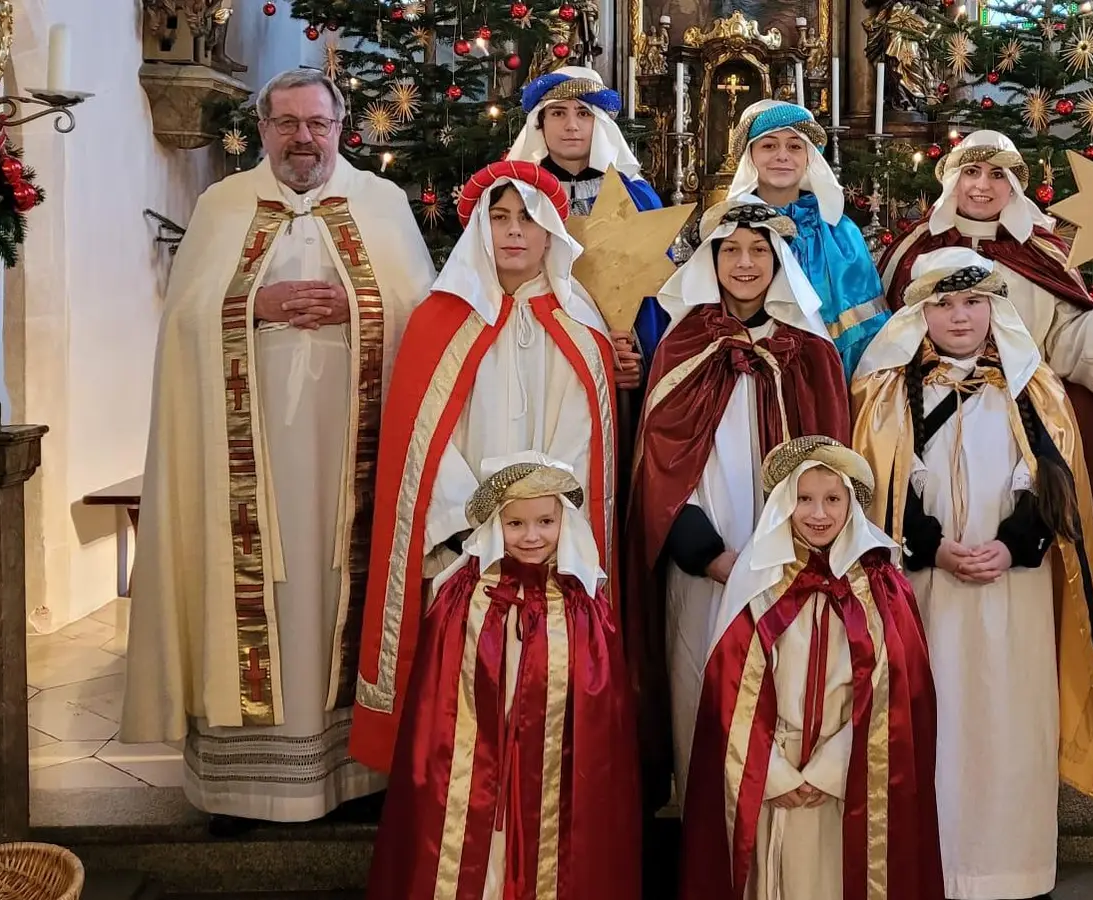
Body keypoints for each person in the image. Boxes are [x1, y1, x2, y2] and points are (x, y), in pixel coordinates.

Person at [119, 68, 436, 827]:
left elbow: (426, 323)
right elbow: (184, 326)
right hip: (244, 468)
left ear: (340, 126)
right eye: (287, 124)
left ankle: (356, 773)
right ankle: (245, 788)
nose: (304, 139)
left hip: (347, 465)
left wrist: (363, 305)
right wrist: (249, 304)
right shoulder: (223, 205)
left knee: (342, 585)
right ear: (262, 131)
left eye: (318, 124)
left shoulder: (382, 205)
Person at [349, 160, 625, 774]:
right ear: (479, 227)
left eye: (528, 218)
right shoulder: (439, 319)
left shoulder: (582, 324)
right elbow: (424, 443)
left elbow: (583, 438)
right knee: (463, 701)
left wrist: (541, 524)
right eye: (498, 217)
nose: (514, 232)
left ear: (552, 230)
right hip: (466, 548)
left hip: (548, 541)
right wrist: (474, 526)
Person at [851, 248, 1093, 900]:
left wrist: (1014, 544)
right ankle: (929, 867)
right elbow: (873, 488)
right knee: (933, 727)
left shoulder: (1033, 388)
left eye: (972, 302)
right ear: (920, 313)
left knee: (1007, 726)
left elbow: (1058, 480)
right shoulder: (884, 392)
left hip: (1012, 599)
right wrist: (932, 547)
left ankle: (1009, 871)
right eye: (943, 303)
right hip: (924, 594)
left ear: (994, 308)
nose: (959, 316)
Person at [877, 129, 1093, 684]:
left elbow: (1070, 344)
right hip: (927, 416)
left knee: (1011, 645)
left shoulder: (1043, 253)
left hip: (1022, 421)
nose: (982, 186)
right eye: (972, 172)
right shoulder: (910, 252)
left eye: (998, 174)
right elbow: (889, 340)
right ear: (951, 178)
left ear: (1016, 185)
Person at [621, 198, 849, 817]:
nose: (744, 264)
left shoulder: (812, 352)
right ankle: (708, 847)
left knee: (791, 697)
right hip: (706, 567)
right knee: (705, 695)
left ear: (779, 261)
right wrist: (712, 556)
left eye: (759, 251)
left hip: (791, 569)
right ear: (710, 258)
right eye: (730, 250)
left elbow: (834, 463)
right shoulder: (682, 345)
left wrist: (798, 549)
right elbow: (661, 468)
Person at [679, 436, 942, 900]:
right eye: (804, 498)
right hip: (771, 773)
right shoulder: (757, 577)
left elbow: (894, 686)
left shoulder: (880, 581)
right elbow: (730, 688)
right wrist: (773, 773)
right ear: (784, 504)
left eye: (832, 499)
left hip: (847, 775)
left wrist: (832, 766)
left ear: (851, 505)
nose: (818, 513)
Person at [366, 453, 639, 900]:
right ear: (496, 526)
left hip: (554, 774)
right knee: (482, 865)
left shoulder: (585, 605)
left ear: (562, 523)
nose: (532, 536)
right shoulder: (463, 599)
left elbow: (600, 714)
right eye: (516, 524)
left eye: (545, 522)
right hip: (477, 777)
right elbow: (439, 705)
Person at [507, 65, 668, 353]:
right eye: (558, 113)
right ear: (540, 123)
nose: (571, 125)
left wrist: (633, 354)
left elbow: (653, 294)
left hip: (618, 346)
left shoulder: (636, 198)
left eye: (583, 113)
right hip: (537, 343)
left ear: (601, 123)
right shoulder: (517, 195)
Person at [725, 99, 889, 374]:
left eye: (794, 146)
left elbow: (867, 332)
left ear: (809, 156)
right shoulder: (728, 230)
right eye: (769, 145)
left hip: (828, 376)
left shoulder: (841, 234)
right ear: (749, 155)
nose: (782, 155)